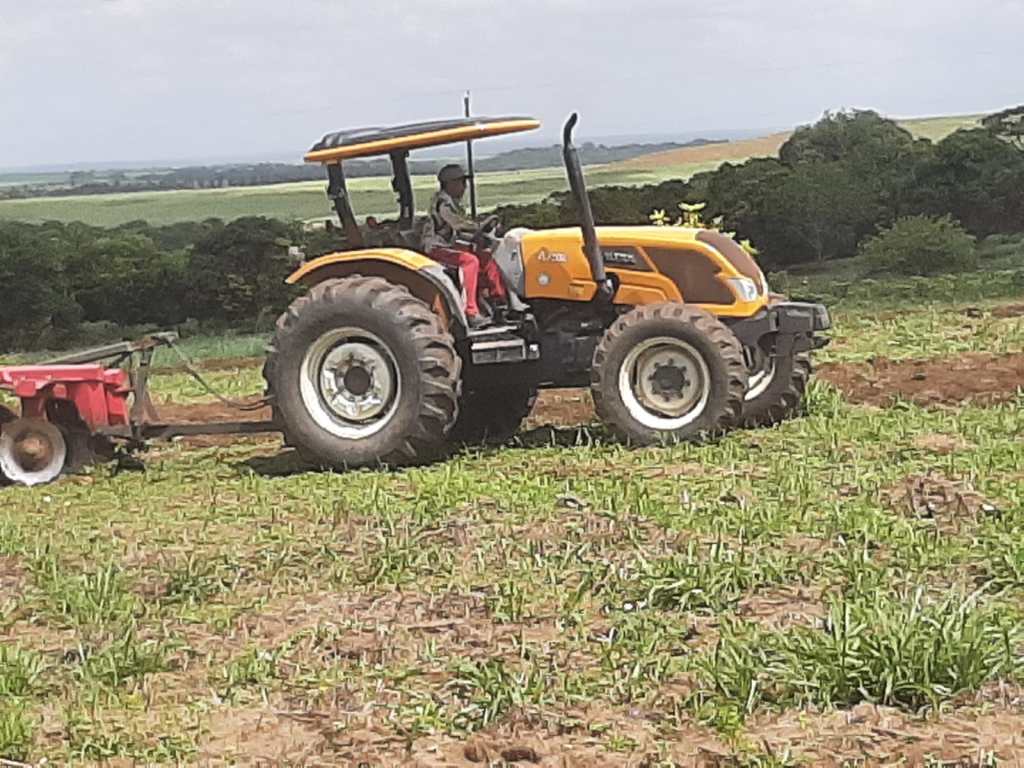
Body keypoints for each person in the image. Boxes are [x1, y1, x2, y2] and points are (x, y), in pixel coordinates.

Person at [422, 164, 507, 329]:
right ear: (450, 184)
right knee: (469, 262)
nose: (465, 187)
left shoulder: (453, 203)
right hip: (437, 249)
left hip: (449, 245)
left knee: (486, 257)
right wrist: (479, 226)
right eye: (461, 182)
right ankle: (471, 311)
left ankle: (500, 301)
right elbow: (457, 224)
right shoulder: (443, 203)